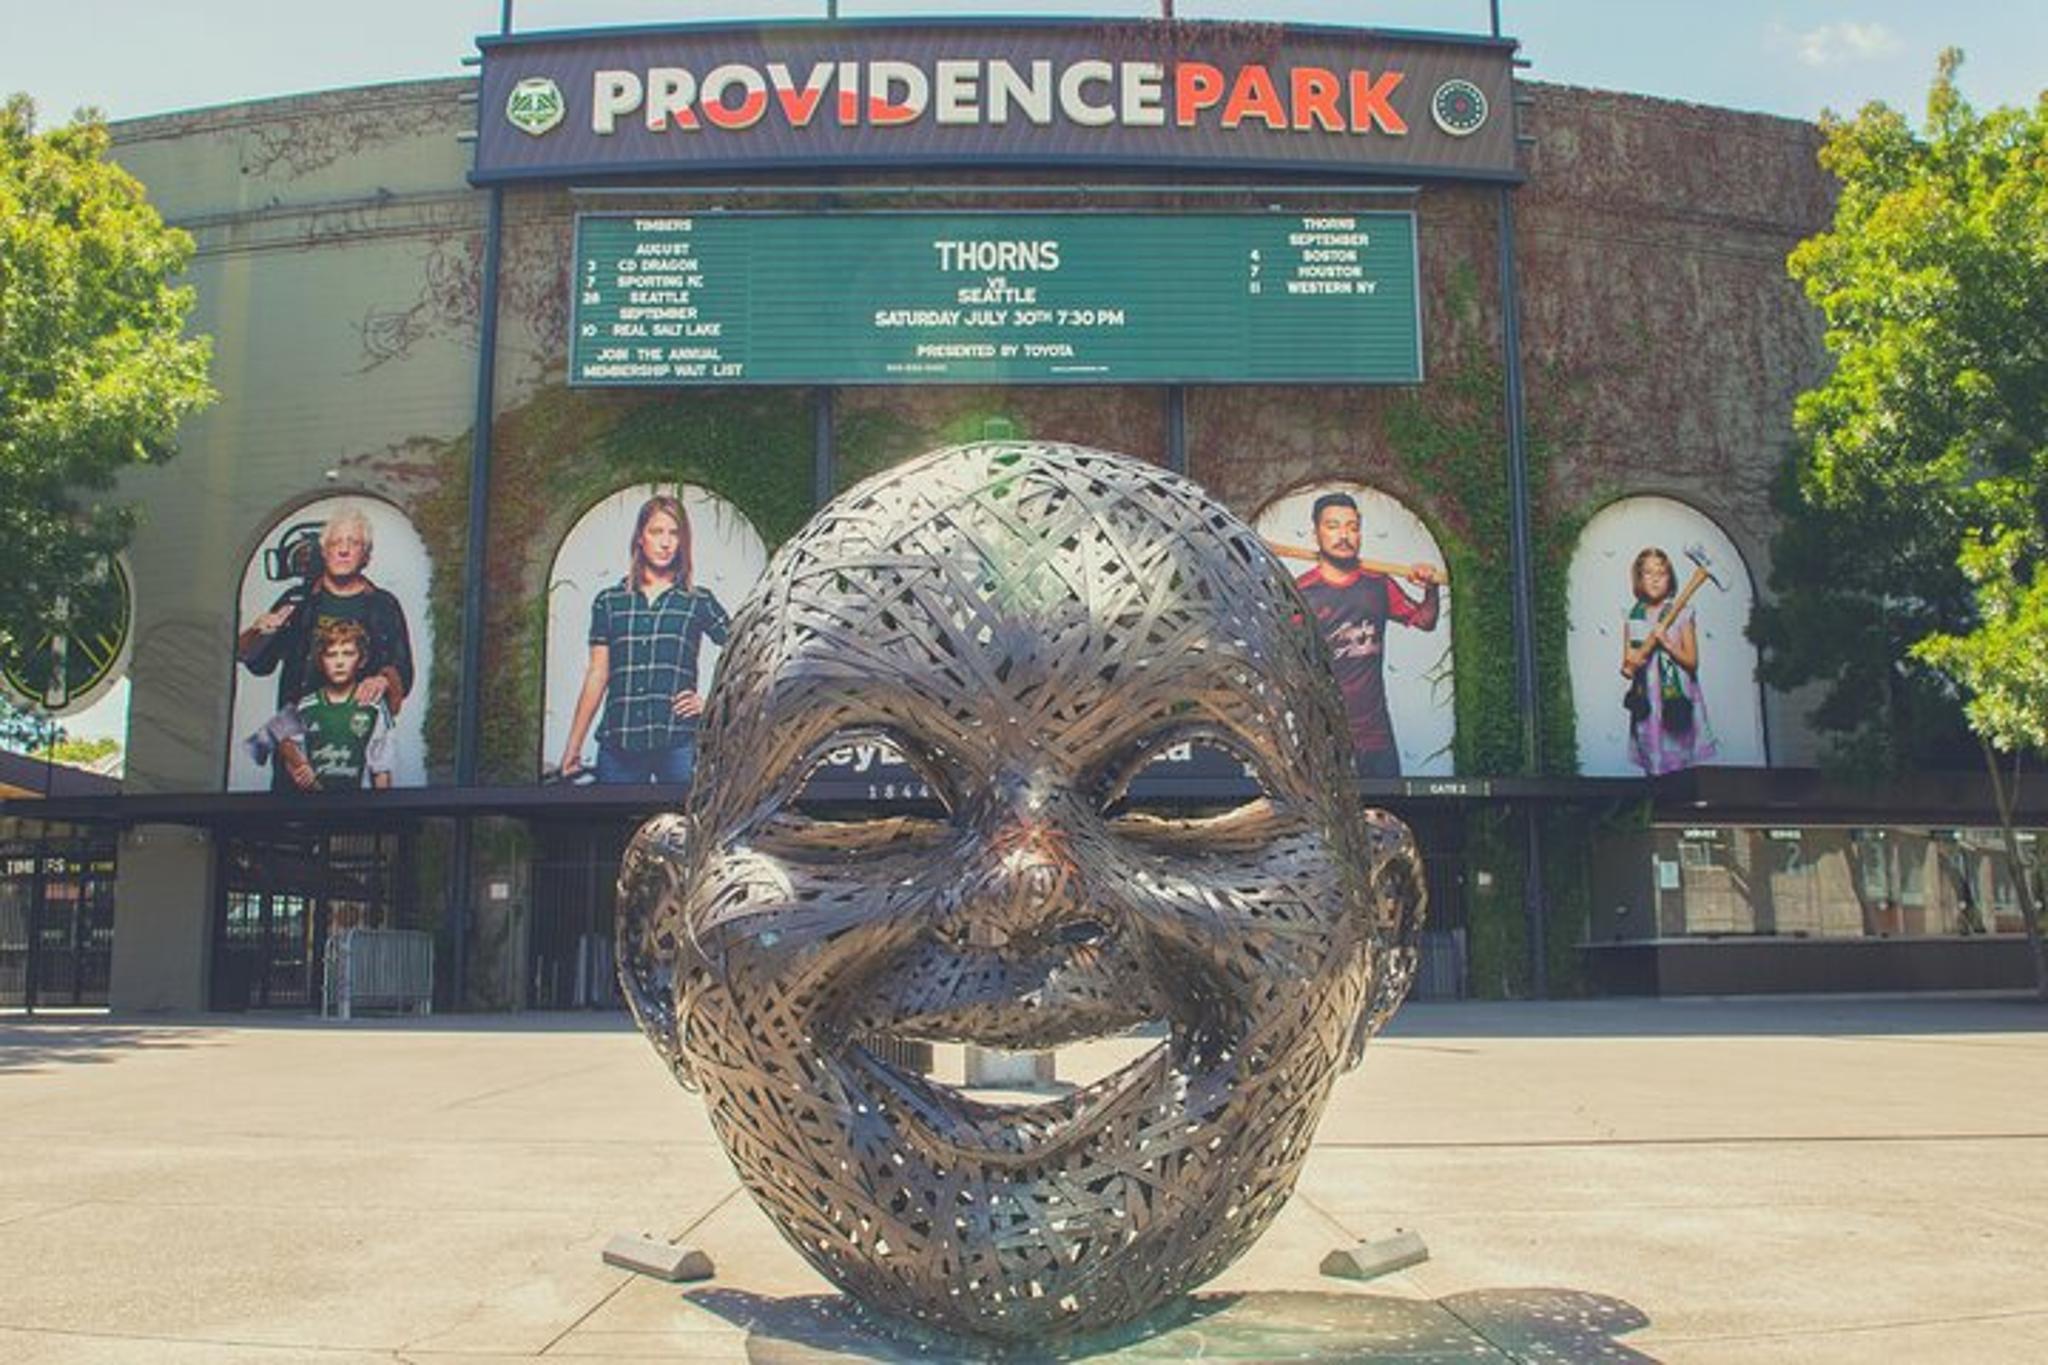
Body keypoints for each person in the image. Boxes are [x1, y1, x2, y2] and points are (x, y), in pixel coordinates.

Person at [237, 505, 415, 790]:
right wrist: (259, 630)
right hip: (297, 731)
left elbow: (403, 669)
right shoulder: (297, 600)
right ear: (325, 552)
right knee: (289, 815)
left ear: (365, 555)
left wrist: (383, 679)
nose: (343, 550)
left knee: (352, 822)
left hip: (354, 733)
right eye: (336, 543)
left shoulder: (384, 605)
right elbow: (258, 664)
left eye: (353, 543)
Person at [558, 493, 731, 785]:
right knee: (614, 827)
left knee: (685, 826)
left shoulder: (697, 601)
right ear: (640, 537)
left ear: (682, 542)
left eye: (674, 533)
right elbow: (597, 674)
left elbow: (743, 651)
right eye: (656, 532)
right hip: (619, 741)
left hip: (678, 741)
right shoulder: (610, 602)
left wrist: (715, 702)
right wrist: (573, 746)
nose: (665, 542)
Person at [1289, 491, 1443, 777]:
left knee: (1387, 817)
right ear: (1316, 534)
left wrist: (1430, 588)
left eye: (1352, 527)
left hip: (1376, 737)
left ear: (1360, 534)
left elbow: (1425, 620)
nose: (1343, 535)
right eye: (1333, 526)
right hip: (1323, 737)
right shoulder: (1301, 594)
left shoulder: (1378, 585)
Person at [247, 620, 395, 792]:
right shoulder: (306, 706)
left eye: (347, 654)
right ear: (320, 661)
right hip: (315, 808)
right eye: (331, 655)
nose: (339, 662)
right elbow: (265, 744)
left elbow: (382, 770)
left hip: (359, 807)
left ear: (361, 660)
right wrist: (298, 767)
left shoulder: (374, 707)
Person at [1621, 546, 1717, 775]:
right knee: (1651, 756)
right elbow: (1627, 663)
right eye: (1648, 573)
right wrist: (1632, 660)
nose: (1655, 580)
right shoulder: (1633, 616)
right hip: (1648, 699)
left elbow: (1692, 662)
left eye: (1661, 574)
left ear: (1670, 578)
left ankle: (1681, 807)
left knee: (1679, 761)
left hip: (1675, 697)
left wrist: (1668, 644)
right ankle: (1655, 804)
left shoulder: (1682, 613)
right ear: (1639, 578)